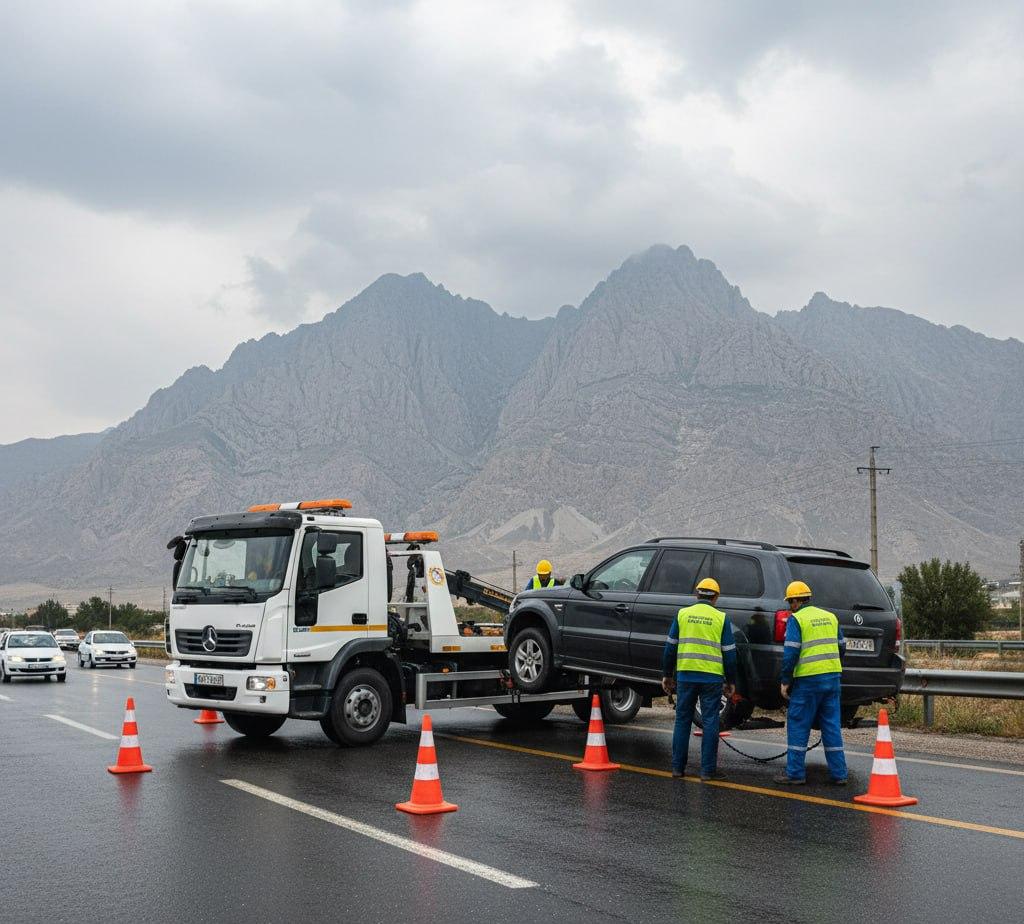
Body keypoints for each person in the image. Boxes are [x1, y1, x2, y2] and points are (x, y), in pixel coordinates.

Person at [661, 577, 737, 781]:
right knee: (710, 721)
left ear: (697, 594)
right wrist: (731, 681)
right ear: (716, 597)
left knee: (682, 720)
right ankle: (707, 771)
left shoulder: (683, 614)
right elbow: (730, 654)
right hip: (711, 678)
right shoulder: (721, 618)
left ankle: (677, 768)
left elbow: (670, 648)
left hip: (685, 676)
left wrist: (667, 675)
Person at [774, 580, 848, 786]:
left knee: (798, 725)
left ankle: (795, 774)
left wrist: (786, 680)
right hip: (832, 679)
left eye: (790, 602)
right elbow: (842, 646)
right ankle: (839, 774)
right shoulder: (830, 617)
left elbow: (790, 653)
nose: (790, 606)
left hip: (807, 681)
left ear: (796, 601)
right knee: (831, 726)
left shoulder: (797, 619)